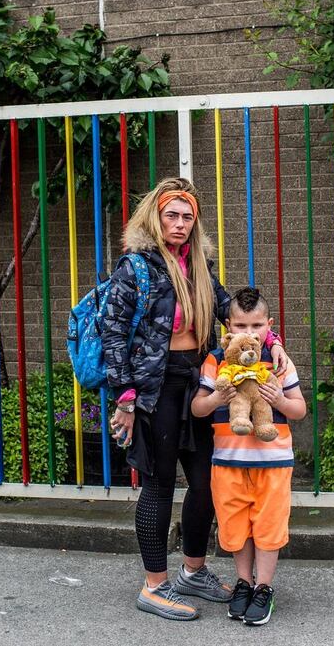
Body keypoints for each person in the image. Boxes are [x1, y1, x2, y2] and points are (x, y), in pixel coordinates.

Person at [101, 177, 287, 621]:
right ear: (155, 217)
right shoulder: (137, 267)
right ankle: (154, 585)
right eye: (172, 215)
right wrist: (125, 399)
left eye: (187, 217)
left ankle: (193, 571)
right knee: (160, 483)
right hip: (156, 384)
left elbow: (233, 313)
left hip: (199, 378)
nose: (180, 224)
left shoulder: (199, 265)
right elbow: (113, 332)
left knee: (206, 480)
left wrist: (272, 338)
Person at [192, 286, 306, 626]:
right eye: (241, 327)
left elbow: (299, 409)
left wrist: (280, 402)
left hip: (273, 463)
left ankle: (264, 587)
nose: (249, 334)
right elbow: (198, 407)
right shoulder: (216, 361)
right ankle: (243, 582)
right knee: (235, 526)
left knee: (269, 525)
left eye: (256, 326)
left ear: (269, 325)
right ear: (228, 326)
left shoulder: (280, 361)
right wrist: (216, 400)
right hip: (228, 462)